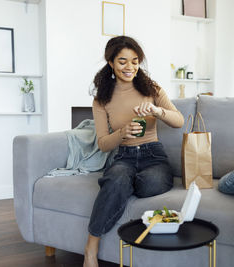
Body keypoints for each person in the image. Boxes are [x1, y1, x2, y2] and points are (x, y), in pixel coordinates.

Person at [84, 36, 184, 267]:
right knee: (117, 178)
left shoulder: (152, 89)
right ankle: (91, 248)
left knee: (149, 184)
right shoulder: (102, 99)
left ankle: (121, 186)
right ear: (110, 63)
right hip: (124, 156)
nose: (130, 67)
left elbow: (179, 121)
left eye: (135, 61)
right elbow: (102, 143)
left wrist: (157, 111)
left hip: (153, 156)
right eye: (122, 61)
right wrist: (122, 133)